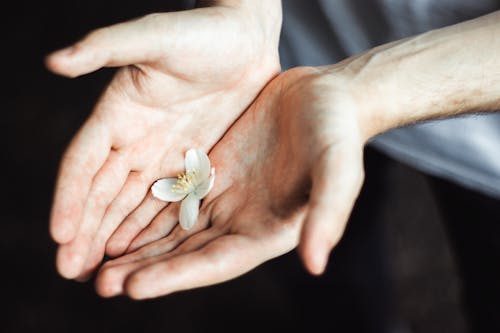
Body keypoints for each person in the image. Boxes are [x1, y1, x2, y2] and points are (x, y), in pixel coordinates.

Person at [46, 0, 499, 328]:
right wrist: (239, 8)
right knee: (328, 266)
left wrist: (365, 94)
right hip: (276, 76)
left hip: (483, 131)